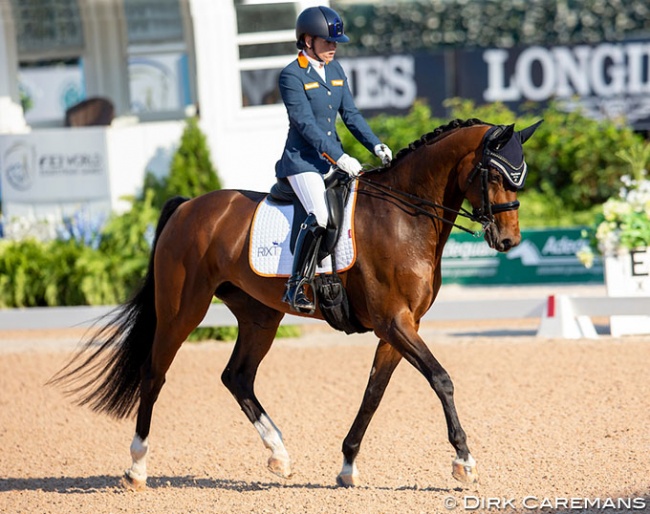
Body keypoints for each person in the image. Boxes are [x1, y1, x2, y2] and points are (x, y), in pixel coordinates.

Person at [275, 5, 393, 314]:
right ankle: (297, 284)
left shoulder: (337, 71)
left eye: (336, 42)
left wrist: (376, 145)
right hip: (303, 162)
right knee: (321, 217)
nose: (333, 47)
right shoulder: (292, 75)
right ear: (307, 40)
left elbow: (351, 115)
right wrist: (339, 156)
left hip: (332, 160)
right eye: (328, 42)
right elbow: (305, 125)